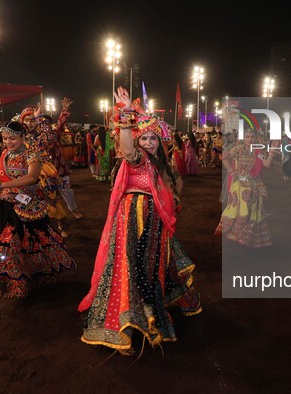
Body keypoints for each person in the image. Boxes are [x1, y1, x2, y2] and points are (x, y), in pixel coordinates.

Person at [79, 88, 201, 354]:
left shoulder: (161, 166)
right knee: (128, 270)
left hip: (154, 225)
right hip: (131, 222)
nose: (147, 143)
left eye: (152, 138)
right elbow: (127, 150)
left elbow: (172, 197)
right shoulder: (138, 159)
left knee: (149, 270)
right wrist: (125, 115)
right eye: (143, 138)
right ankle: (123, 324)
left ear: (160, 142)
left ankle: (148, 312)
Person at [0, 121, 75, 299]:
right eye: (5, 138)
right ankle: (1, 282)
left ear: (22, 136)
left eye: (12, 138)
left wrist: (3, 185)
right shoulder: (6, 153)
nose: (8, 142)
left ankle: (21, 283)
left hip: (26, 205)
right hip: (1, 203)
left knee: (17, 245)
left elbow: (32, 177)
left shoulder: (32, 154)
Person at [215, 129, 276, 247]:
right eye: (247, 137)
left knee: (254, 206)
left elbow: (267, 164)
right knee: (242, 206)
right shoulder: (238, 149)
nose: (250, 139)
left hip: (255, 182)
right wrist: (232, 172)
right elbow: (224, 157)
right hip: (240, 183)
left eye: (252, 137)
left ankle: (248, 234)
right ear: (244, 138)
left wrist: (272, 152)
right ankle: (236, 232)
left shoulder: (258, 150)